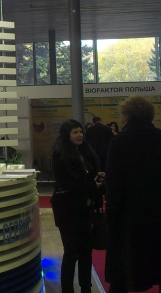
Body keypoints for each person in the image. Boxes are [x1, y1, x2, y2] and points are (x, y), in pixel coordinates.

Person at [105, 96, 161, 293]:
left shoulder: (118, 143)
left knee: (122, 276)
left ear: (125, 115)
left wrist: (111, 220)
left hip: (131, 220)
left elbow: (114, 188)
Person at [51, 119, 104, 293]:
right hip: (67, 209)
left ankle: (86, 287)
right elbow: (68, 182)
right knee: (71, 251)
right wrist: (92, 184)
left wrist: (97, 178)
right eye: (75, 132)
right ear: (67, 135)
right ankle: (67, 289)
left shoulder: (86, 152)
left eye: (80, 131)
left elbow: (88, 177)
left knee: (86, 251)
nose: (79, 135)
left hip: (85, 207)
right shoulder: (60, 154)